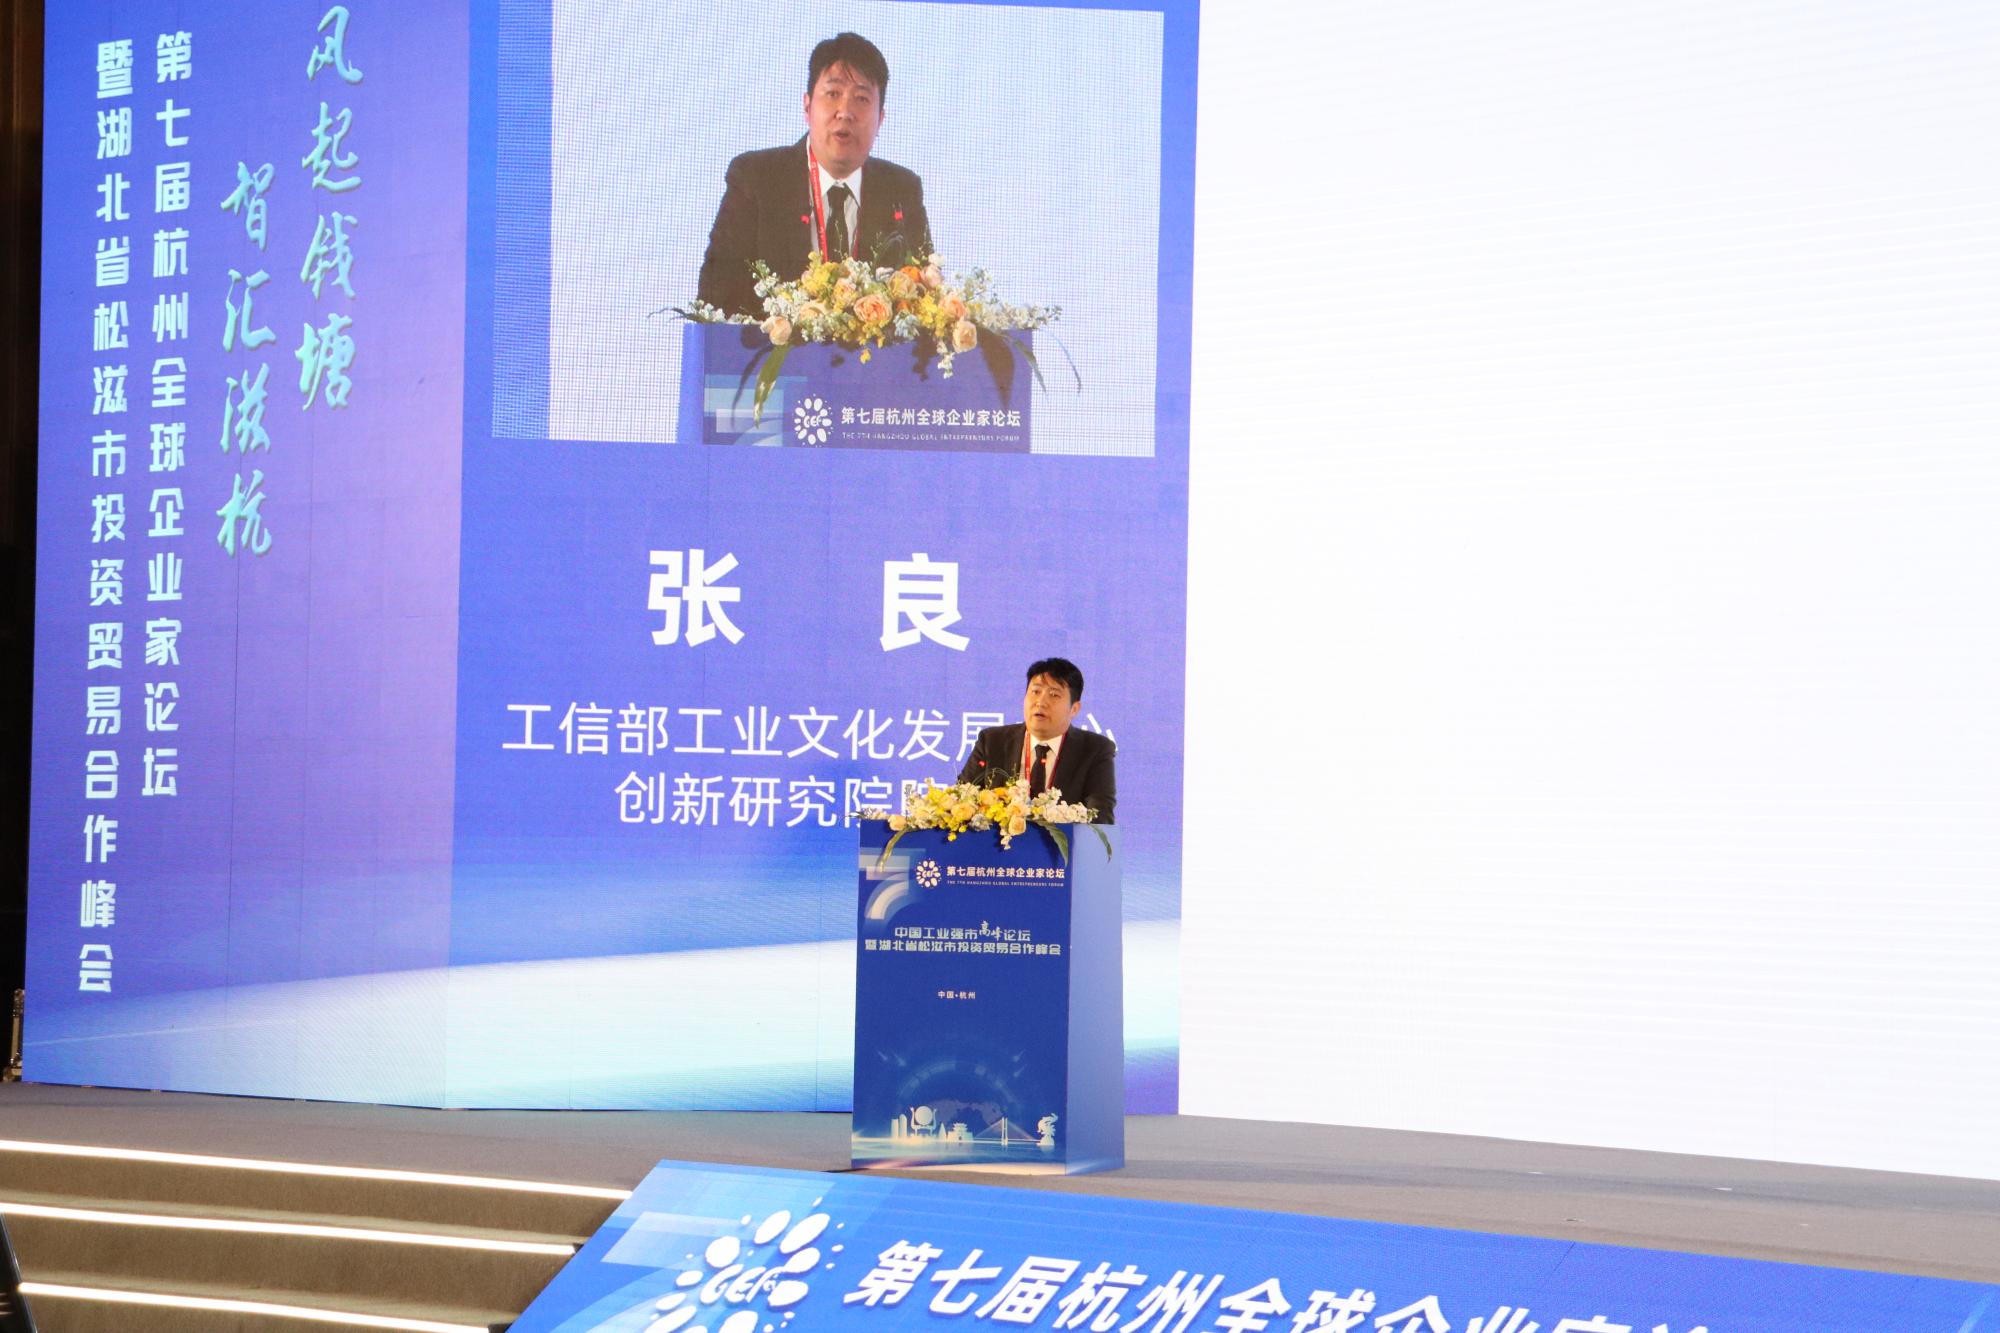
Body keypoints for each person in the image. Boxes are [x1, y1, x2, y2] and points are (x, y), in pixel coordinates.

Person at [697, 33, 934, 317]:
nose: (845, 112)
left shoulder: (901, 189)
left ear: (880, 118)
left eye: (861, 98)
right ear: (807, 106)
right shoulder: (756, 179)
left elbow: (925, 301)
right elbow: (715, 297)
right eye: (833, 94)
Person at [957, 658, 1117, 824]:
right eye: (1035, 691)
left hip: (1062, 841)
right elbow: (961, 801)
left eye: (1054, 695)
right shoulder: (992, 741)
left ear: (1074, 709)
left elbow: (1100, 817)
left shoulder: (1095, 749)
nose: (1040, 702)